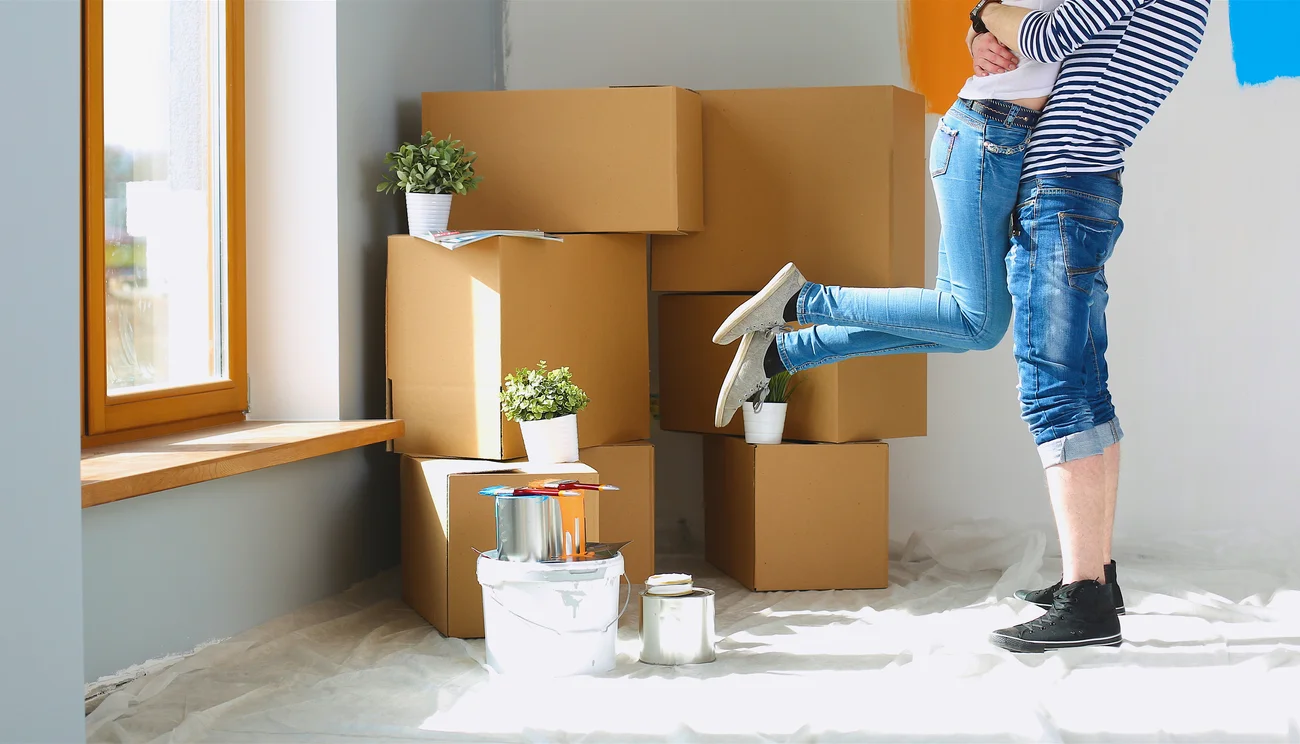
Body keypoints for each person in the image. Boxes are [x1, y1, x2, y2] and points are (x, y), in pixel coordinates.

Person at [712, 0, 1211, 652]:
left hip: (1060, 181)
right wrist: (979, 27)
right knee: (1059, 376)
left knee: (1047, 378)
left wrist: (981, 17)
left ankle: (1090, 592)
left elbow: (1043, 32)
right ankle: (1093, 582)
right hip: (1037, 163)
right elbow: (1037, 35)